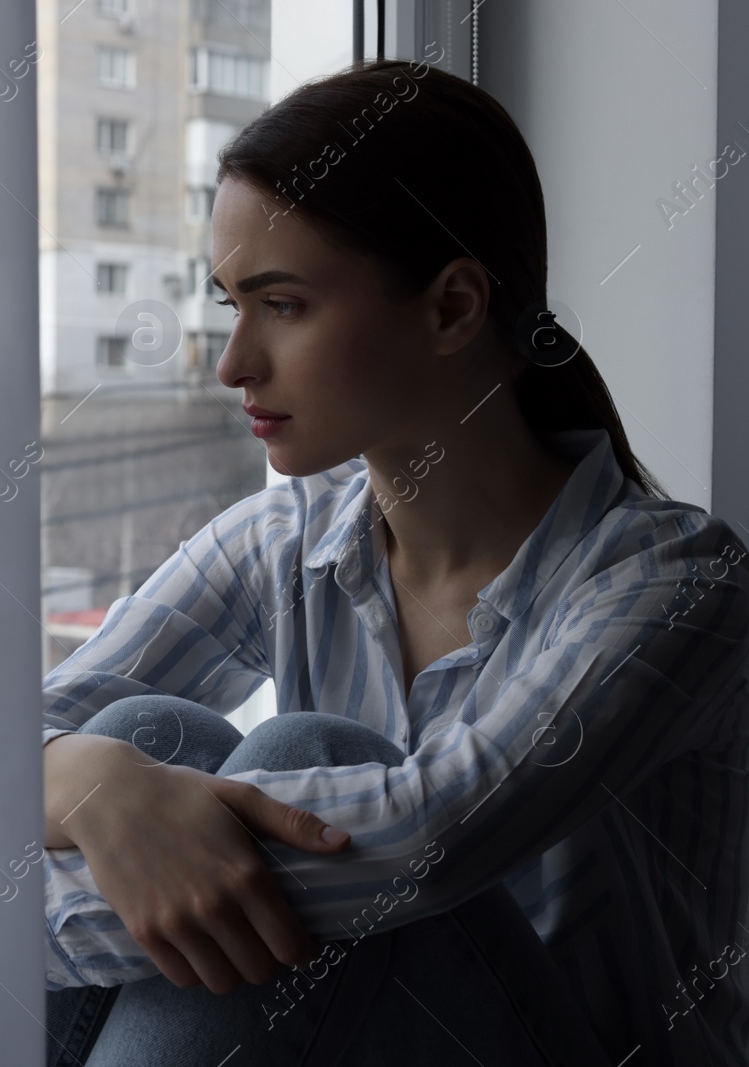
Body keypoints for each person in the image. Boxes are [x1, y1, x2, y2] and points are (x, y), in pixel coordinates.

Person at [40, 56, 749, 1066]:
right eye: (228, 302)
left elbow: (425, 839)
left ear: (453, 307)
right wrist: (89, 778)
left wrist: (21, 902)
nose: (232, 361)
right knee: (138, 733)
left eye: (280, 304)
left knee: (299, 757)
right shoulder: (282, 540)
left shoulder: (674, 583)